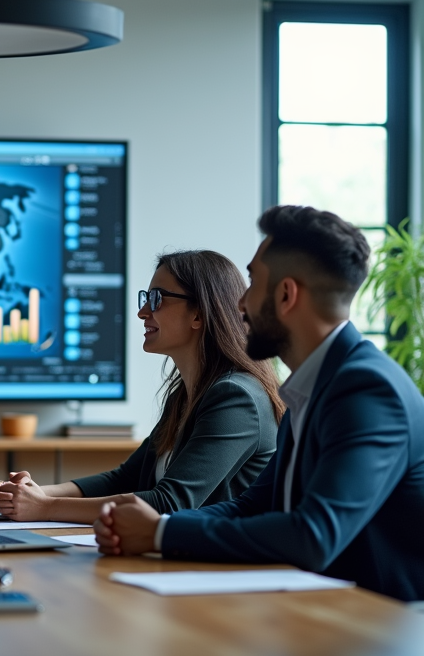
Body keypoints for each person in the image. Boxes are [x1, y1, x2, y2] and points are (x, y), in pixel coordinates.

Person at [94, 206, 424, 602]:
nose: (239, 304)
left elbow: (313, 535)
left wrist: (161, 532)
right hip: (323, 616)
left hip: (381, 632)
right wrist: (155, 526)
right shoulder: (313, 388)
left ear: (286, 295)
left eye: (252, 283)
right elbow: (252, 506)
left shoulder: (366, 389)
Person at [0, 250, 283, 525]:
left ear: (199, 314)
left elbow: (169, 503)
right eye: (146, 298)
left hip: (224, 572)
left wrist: (45, 508)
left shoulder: (236, 396)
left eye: (157, 299)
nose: (143, 311)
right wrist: (40, 493)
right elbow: (124, 479)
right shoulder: (185, 396)